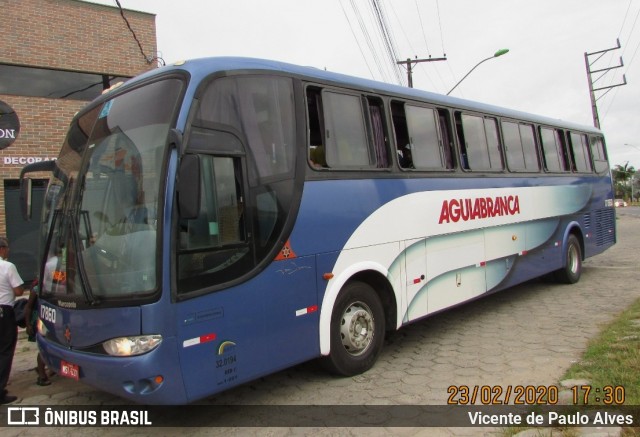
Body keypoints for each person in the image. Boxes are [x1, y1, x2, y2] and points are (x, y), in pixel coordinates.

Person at [0, 236, 26, 404]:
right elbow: (18, 291)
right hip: (4, 312)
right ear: (2, 249)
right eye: (7, 247)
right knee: (5, 351)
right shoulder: (8, 267)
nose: (9, 250)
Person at [24, 281, 51, 386]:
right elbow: (28, 307)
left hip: (50, 319)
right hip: (40, 321)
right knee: (44, 348)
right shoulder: (37, 289)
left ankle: (47, 370)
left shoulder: (56, 288)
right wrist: (28, 324)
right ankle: (42, 375)